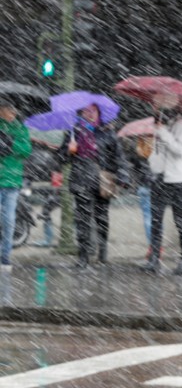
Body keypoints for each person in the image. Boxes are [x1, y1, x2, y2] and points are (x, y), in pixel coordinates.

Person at [57, 104, 129, 269]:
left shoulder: (107, 132)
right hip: (81, 179)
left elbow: (119, 157)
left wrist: (123, 174)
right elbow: (61, 159)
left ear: (98, 113)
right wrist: (69, 151)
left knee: (102, 218)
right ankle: (83, 256)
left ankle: (102, 253)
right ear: (81, 112)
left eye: (93, 111)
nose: (89, 114)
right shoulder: (73, 132)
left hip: (102, 179)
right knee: (83, 219)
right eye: (86, 111)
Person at [141, 109, 182, 275]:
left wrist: (162, 132)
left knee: (180, 221)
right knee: (156, 221)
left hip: (178, 180)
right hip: (159, 179)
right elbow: (156, 154)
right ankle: (154, 259)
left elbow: (179, 150)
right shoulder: (160, 126)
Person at [0, 100, 32, 271]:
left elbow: (26, 149)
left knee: (8, 220)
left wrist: (10, 144)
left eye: (14, 110)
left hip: (12, 181)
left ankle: (5, 256)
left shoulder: (20, 128)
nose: (13, 113)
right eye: (9, 110)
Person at [129, 136, 154, 259]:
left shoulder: (138, 152)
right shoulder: (159, 148)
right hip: (157, 187)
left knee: (147, 218)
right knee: (156, 218)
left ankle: (153, 246)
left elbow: (135, 168)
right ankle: (156, 244)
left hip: (144, 187)